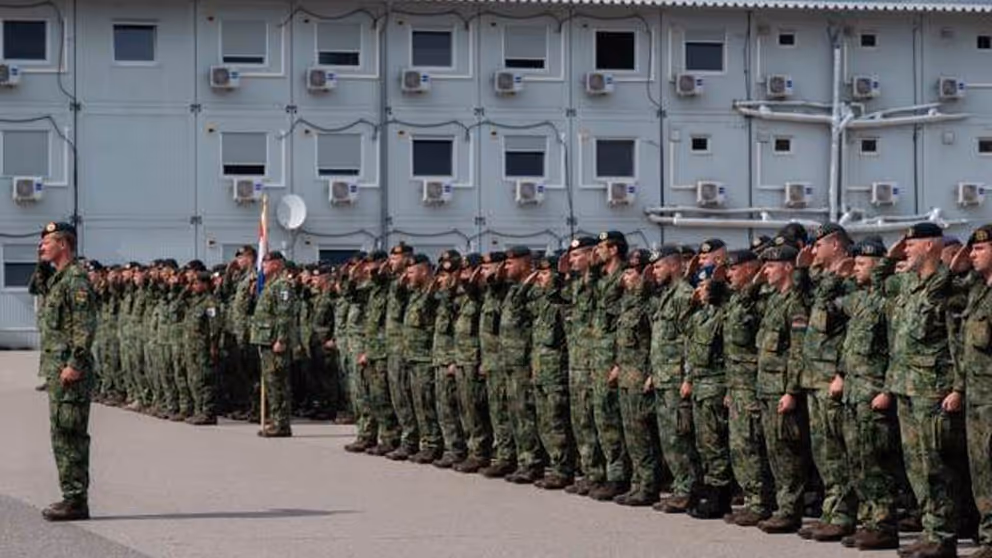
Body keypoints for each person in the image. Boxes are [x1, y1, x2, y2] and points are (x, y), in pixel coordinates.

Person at [37, 221, 97, 522]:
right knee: (61, 434)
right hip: (57, 370)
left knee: (70, 435)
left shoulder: (76, 280)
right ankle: (71, 496)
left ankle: (76, 501)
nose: (42, 246)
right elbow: (35, 287)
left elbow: (85, 327)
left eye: (48, 241)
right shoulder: (57, 279)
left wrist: (75, 363)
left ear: (64, 244)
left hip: (69, 372)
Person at [250, 251, 297, 438]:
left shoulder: (283, 285)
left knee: (278, 383)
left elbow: (285, 314)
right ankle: (276, 420)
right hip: (265, 340)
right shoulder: (270, 285)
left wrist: (281, 339)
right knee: (271, 382)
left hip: (274, 342)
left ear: (277, 264)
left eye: (266, 263)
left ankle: (281, 423)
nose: (263, 266)